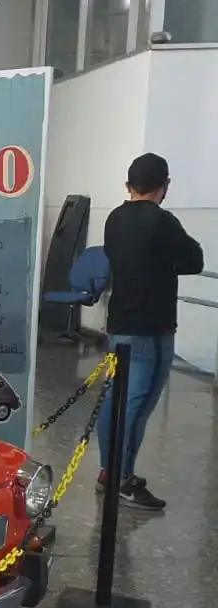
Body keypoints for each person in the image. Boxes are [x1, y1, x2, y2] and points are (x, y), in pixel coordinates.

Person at [96, 153, 204, 510]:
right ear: (165, 186)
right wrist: (166, 264)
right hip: (152, 329)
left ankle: (108, 471)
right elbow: (195, 260)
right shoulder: (162, 221)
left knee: (115, 399)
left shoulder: (114, 218)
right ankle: (122, 480)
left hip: (119, 325)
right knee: (136, 406)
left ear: (128, 185)